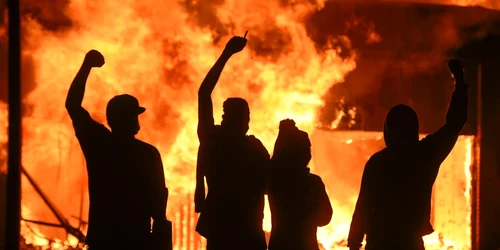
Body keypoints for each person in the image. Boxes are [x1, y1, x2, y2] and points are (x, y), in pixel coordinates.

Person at [347, 59, 469, 250]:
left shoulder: (378, 162)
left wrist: (354, 243)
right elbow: (455, 123)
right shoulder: (425, 155)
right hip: (410, 243)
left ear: (388, 131)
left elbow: (363, 206)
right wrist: (459, 82)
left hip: (378, 243)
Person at [65, 50, 167, 250]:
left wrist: (87, 66)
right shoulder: (148, 153)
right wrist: (160, 227)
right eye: (134, 116)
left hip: (103, 237)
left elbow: (73, 105)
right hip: (137, 238)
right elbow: (158, 198)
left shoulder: (98, 143)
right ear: (130, 119)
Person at [195, 35, 270, 250]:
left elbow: (204, 93)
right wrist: (226, 54)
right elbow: (204, 93)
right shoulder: (221, 141)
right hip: (245, 231)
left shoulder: (217, 141)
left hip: (228, 230)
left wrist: (227, 53)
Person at [268, 119, 332, 250]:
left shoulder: (274, 182)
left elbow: (275, 163)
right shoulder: (313, 183)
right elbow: (324, 218)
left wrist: (284, 134)